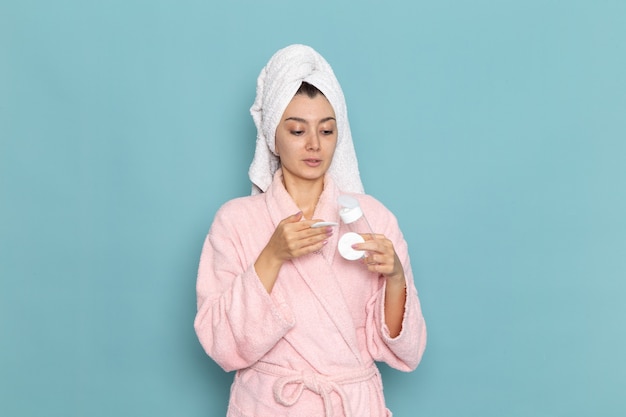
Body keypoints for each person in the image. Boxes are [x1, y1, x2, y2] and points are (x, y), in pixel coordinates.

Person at [194, 44, 426, 417]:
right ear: (273, 135)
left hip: (351, 404)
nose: (314, 145)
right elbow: (221, 344)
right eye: (298, 130)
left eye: (327, 130)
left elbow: (405, 351)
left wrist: (396, 277)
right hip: (272, 406)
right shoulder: (234, 222)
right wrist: (272, 256)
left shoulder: (373, 218)